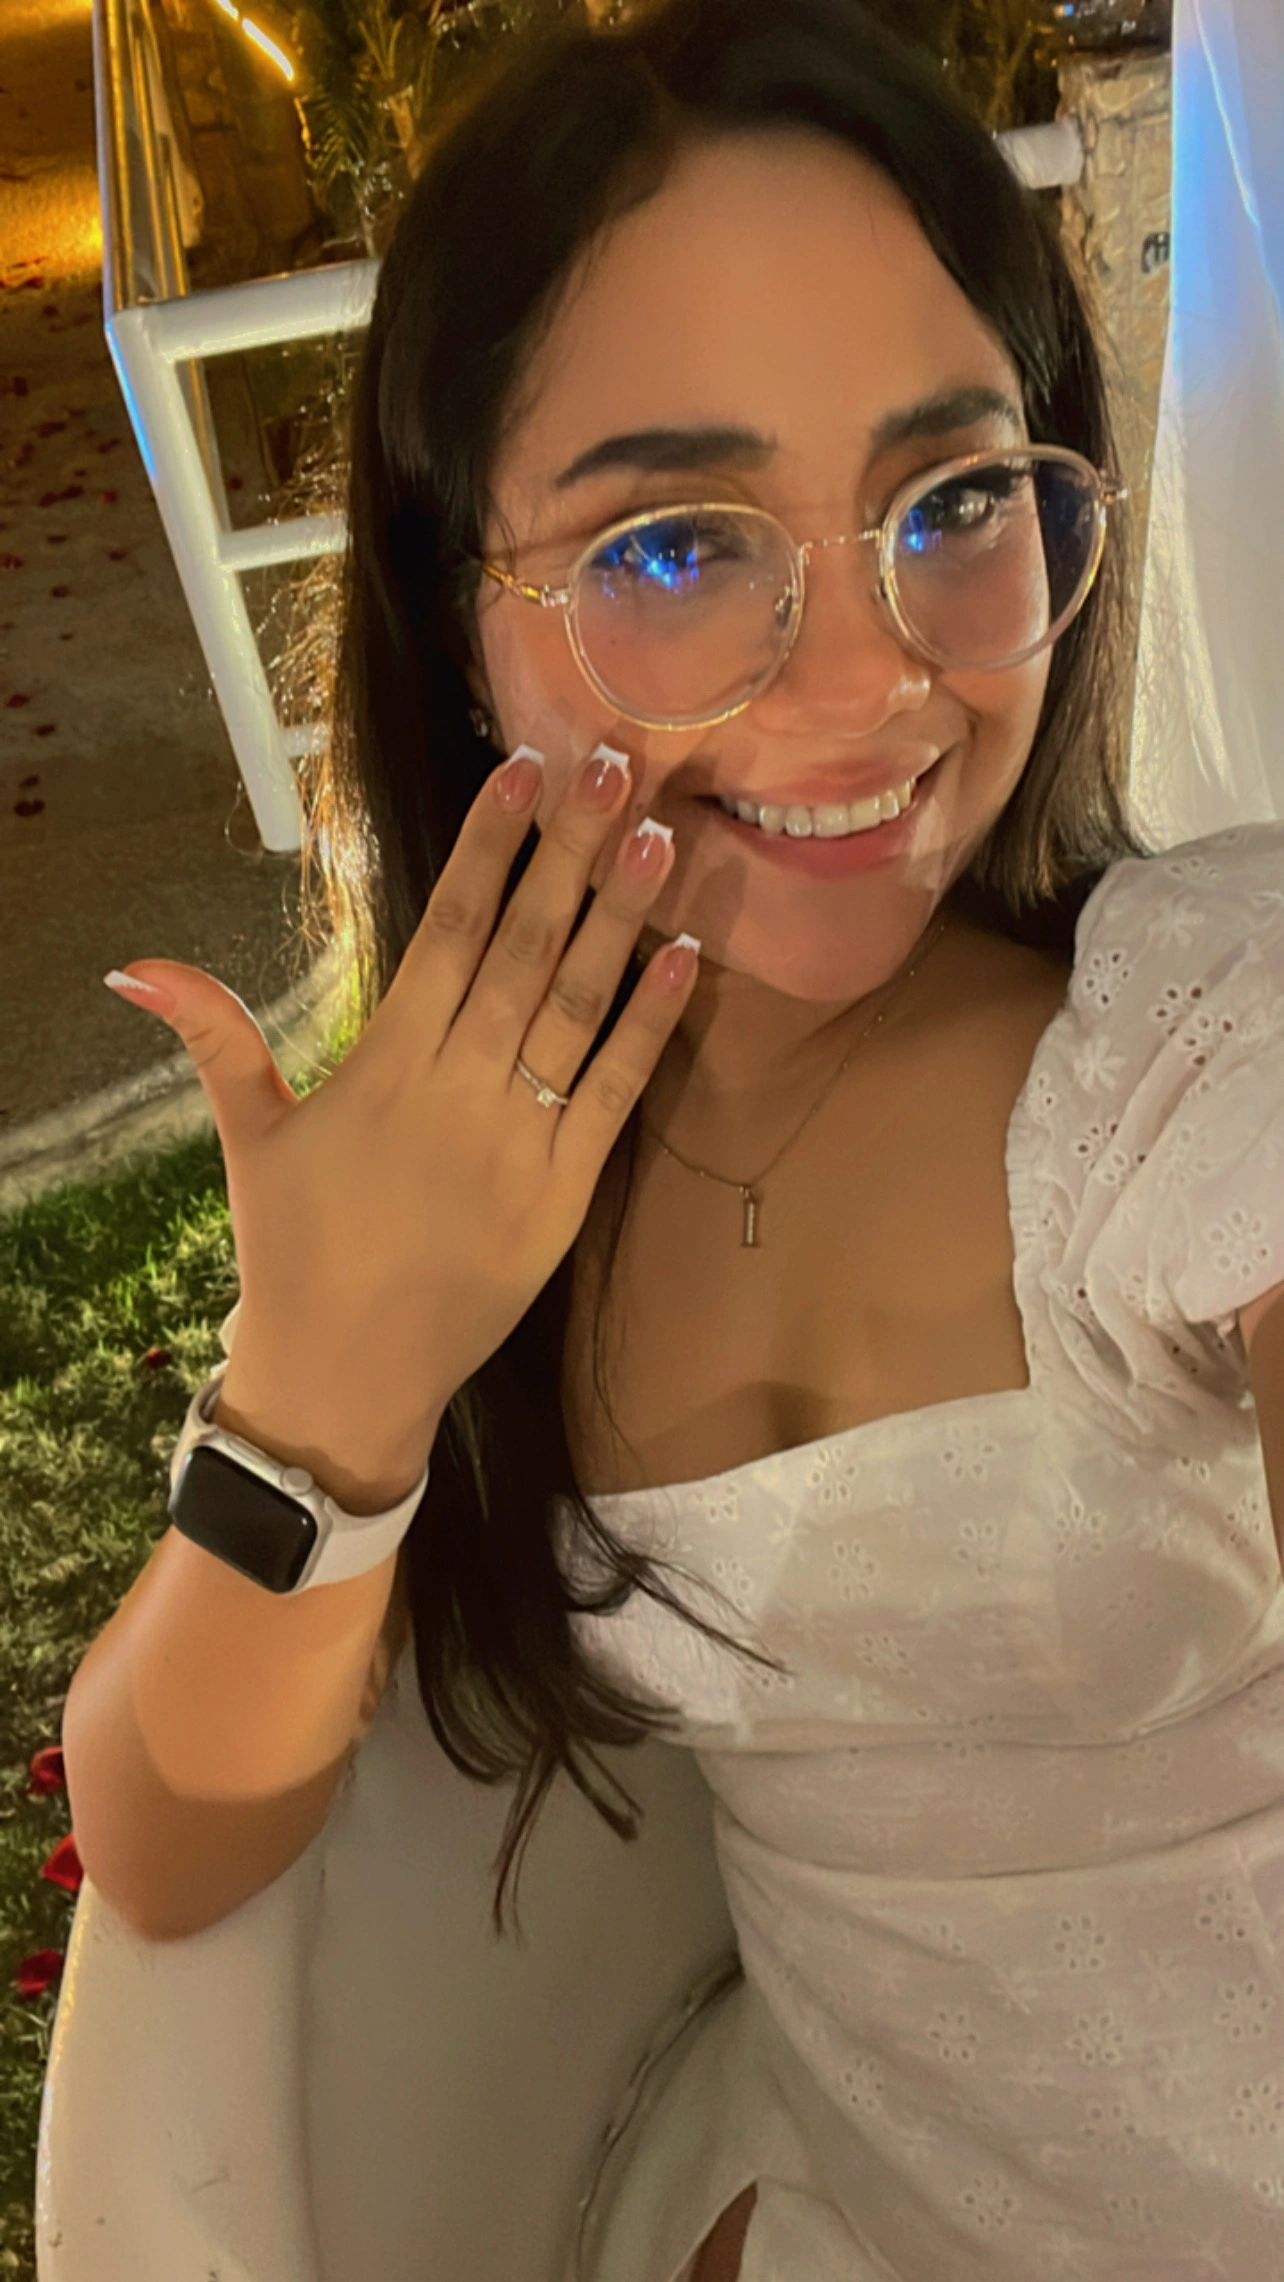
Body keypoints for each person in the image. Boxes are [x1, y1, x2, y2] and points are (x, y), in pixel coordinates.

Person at [80, 0, 1284, 2276]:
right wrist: (318, 1383)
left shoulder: (1202, 1038)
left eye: (954, 500)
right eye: (668, 550)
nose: (870, 683)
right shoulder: (468, 1183)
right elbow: (167, 1849)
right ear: (455, 618)